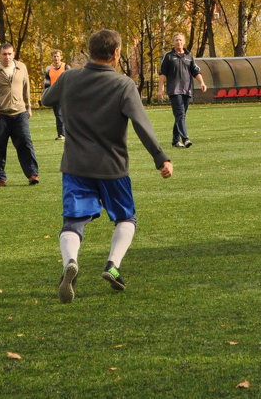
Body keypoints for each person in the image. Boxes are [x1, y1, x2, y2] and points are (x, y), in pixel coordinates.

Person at [41, 28, 173, 301]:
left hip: (76, 166)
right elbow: (141, 124)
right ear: (116, 54)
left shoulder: (68, 78)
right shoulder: (123, 84)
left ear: (90, 52)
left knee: (73, 222)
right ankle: (112, 265)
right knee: (126, 218)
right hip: (113, 167)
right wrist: (160, 157)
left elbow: (46, 99)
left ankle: (70, 263)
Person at [0, 42, 40, 186]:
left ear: (13, 54)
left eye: (9, 54)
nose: (7, 57)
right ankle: (0, 177)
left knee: (25, 143)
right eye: (4, 54)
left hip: (20, 113)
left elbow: (26, 87)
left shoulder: (22, 67)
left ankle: (33, 174)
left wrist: (28, 107)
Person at [158, 33, 207, 148]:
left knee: (181, 115)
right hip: (174, 90)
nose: (178, 42)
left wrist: (202, 82)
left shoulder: (189, 55)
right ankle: (185, 139)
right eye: (176, 40)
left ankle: (175, 140)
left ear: (183, 42)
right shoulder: (168, 56)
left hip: (187, 89)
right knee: (180, 114)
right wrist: (161, 89)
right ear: (173, 42)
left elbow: (195, 71)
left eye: (180, 40)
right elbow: (162, 73)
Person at [43, 49, 71, 140]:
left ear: (61, 57)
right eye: (54, 56)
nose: (56, 58)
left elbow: (71, 81)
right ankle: (61, 134)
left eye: (58, 56)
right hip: (54, 94)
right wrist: (46, 93)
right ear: (52, 57)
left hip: (65, 93)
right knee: (58, 114)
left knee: (65, 114)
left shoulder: (66, 67)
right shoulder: (48, 68)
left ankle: (65, 134)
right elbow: (47, 83)